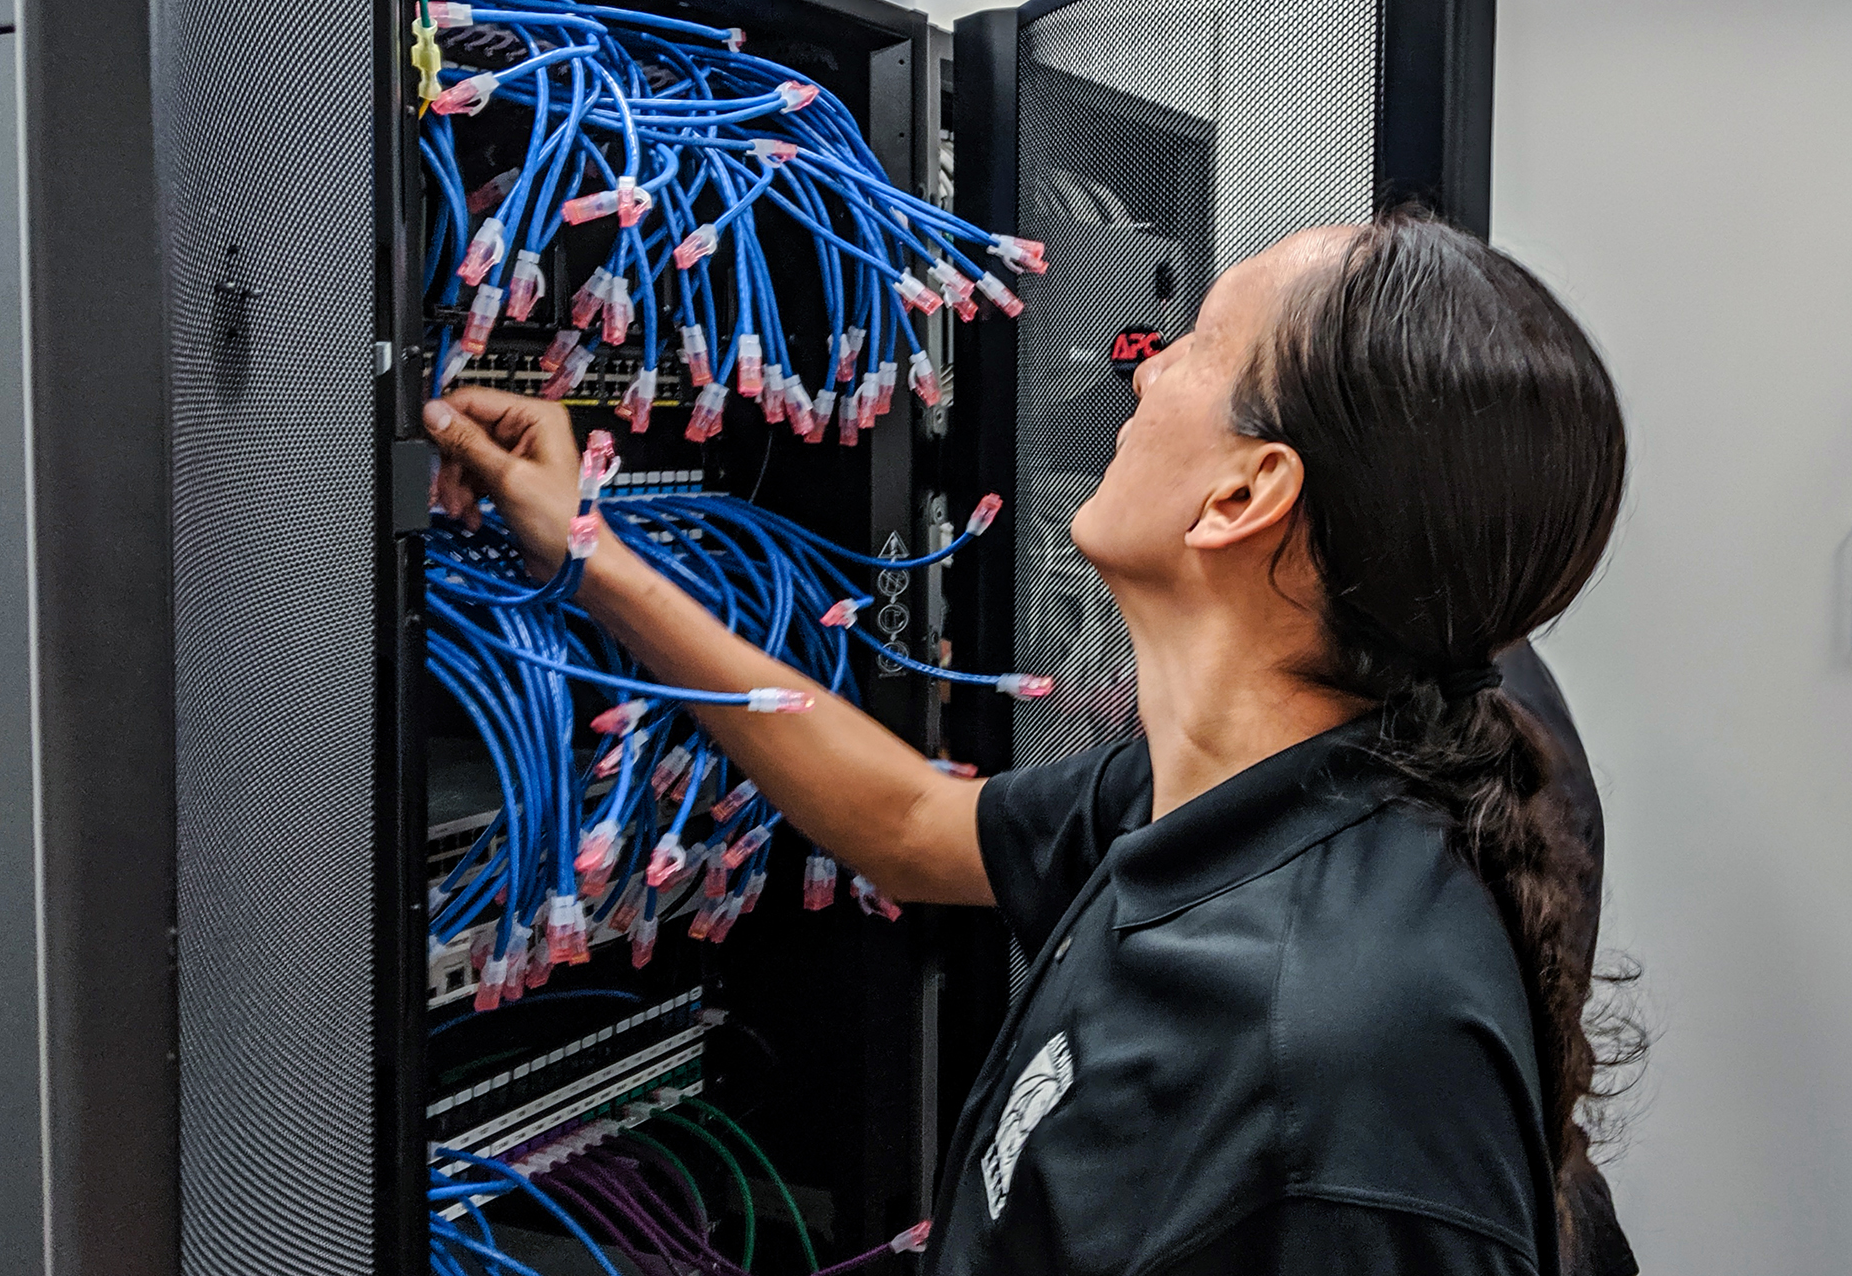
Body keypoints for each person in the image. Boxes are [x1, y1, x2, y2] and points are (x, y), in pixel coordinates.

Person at [424, 207, 1632, 1275]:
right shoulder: (1257, 784)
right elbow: (907, 825)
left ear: (1243, 497)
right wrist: (591, 552)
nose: (1142, 369)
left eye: (1199, 345)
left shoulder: (1327, 1077)